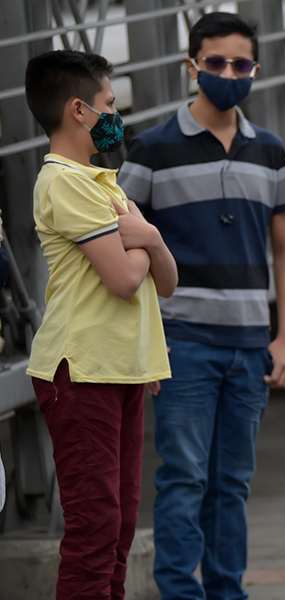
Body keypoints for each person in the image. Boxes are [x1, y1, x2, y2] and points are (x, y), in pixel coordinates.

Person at [117, 13, 285, 599]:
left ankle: (227, 591)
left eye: (241, 64)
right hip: (183, 347)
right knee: (183, 479)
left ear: (256, 69)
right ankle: (179, 591)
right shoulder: (150, 148)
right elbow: (123, 246)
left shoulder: (271, 151)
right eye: (216, 62)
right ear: (191, 66)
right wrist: (147, 343)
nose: (229, 73)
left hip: (250, 348)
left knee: (233, 483)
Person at [24, 50, 176, 600]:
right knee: (95, 531)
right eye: (109, 103)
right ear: (78, 110)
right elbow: (125, 280)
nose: (115, 115)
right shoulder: (65, 182)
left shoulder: (103, 183)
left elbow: (168, 282)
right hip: (81, 370)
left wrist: (148, 238)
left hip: (121, 369)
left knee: (119, 528)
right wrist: (147, 240)